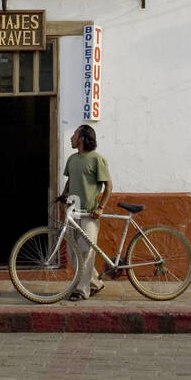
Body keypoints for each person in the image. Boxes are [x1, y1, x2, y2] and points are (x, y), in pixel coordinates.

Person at [59, 124, 112, 301]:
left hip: (89, 214)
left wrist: (101, 207)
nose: (71, 138)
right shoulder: (72, 159)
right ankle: (95, 283)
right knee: (74, 254)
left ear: (81, 138)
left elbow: (108, 186)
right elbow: (70, 180)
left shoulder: (97, 159)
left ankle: (82, 290)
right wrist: (63, 195)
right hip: (73, 212)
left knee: (86, 251)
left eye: (74, 134)